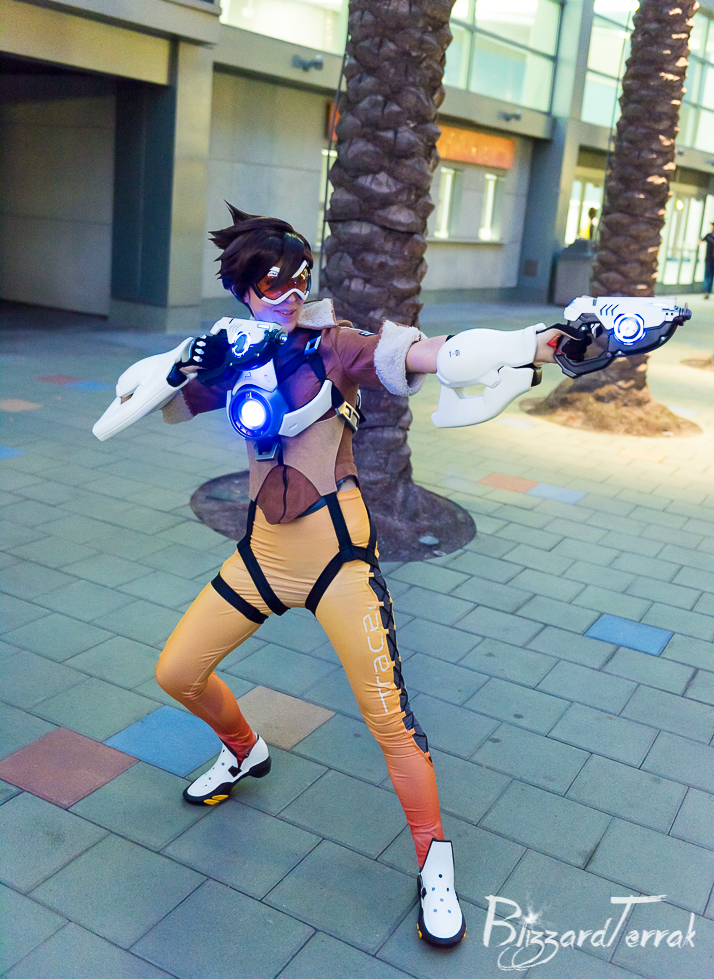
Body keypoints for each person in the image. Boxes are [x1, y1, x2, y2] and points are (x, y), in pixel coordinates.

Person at [107, 207, 564, 947]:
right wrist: (190, 366)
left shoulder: (335, 345)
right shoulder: (237, 352)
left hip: (336, 560)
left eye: (298, 278)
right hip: (262, 553)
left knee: (389, 721)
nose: (289, 294)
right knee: (177, 672)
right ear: (243, 291)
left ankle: (434, 861)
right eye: (270, 283)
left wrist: (536, 343)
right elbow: (162, 405)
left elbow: (426, 355)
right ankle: (244, 748)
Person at [701, 221, 714, 299]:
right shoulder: (708, 236)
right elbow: (701, 241)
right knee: (708, 276)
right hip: (709, 259)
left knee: (711, 277)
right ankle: (707, 292)